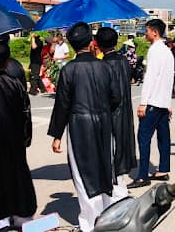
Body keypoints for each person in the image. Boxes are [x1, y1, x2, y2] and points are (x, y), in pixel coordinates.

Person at [47, 22, 121, 232]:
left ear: (71, 45)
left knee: (82, 173)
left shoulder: (69, 69)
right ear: (91, 43)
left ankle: (89, 224)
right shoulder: (104, 66)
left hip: (79, 124)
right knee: (105, 167)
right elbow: (116, 97)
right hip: (104, 122)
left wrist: (57, 134)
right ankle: (109, 218)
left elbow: (62, 104)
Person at [0, 42, 37, 231]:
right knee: (18, 176)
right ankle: (22, 216)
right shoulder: (16, 84)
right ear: (7, 61)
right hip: (14, 139)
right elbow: (26, 113)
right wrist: (26, 138)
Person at [129, 19, 174, 188]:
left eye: (146, 31)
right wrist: (168, 103)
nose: (145, 34)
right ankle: (163, 169)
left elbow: (150, 78)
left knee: (144, 138)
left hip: (153, 102)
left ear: (154, 32)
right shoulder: (167, 51)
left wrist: (143, 103)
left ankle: (142, 176)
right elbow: (168, 79)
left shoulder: (155, 51)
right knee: (163, 138)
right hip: (163, 102)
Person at [95, 27, 138, 201]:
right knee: (121, 149)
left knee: (112, 154)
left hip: (111, 114)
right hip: (124, 112)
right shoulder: (123, 61)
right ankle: (120, 188)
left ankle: (118, 193)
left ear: (98, 43)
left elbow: (112, 94)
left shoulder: (103, 65)